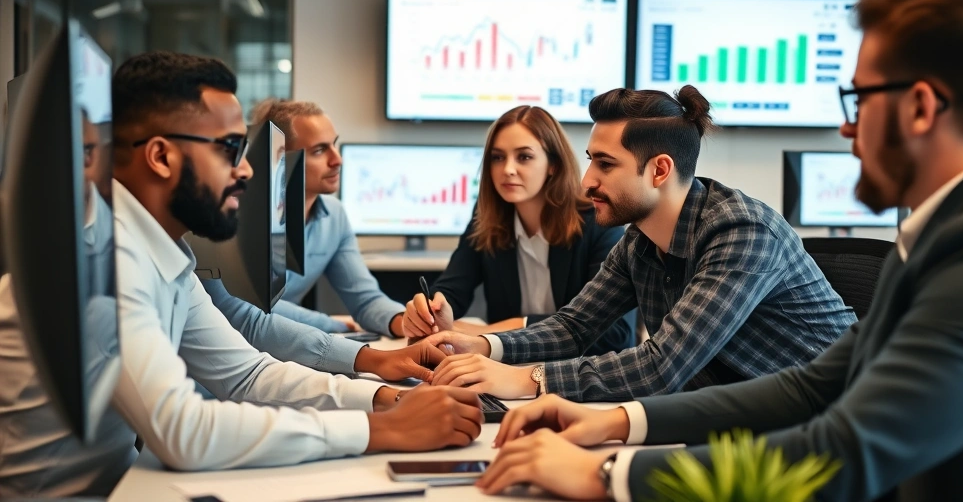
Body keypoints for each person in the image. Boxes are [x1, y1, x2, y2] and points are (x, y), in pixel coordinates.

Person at [471, 0, 963, 502]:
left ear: (922, 108)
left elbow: (850, 446)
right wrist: (617, 419)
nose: (847, 128)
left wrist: (610, 469)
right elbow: (809, 388)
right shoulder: (945, 233)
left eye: (859, 100)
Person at [0, 51, 483, 498]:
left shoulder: (164, 253)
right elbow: (183, 433)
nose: (248, 172)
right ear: (162, 156)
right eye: (230, 148)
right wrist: (383, 431)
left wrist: (381, 401)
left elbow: (248, 373)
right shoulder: (105, 260)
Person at [418, 86, 854, 401]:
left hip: (828, 428)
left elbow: (662, 367)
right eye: (591, 161)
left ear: (659, 170)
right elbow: (574, 327)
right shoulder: (639, 241)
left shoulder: (742, 233)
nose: (587, 182)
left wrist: (524, 379)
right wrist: (485, 347)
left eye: (605, 165)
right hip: (732, 415)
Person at [402, 105, 634, 356]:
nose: (507, 169)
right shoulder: (486, 219)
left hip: (580, 374)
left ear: (553, 164)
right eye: (497, 157)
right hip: (505, 369)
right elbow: (452, 290)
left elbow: (615, 332)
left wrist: (495, 332)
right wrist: (430, 310)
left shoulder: (597, 222)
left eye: (524, 157)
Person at [239, 98, 407, 337]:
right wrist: (332, 325)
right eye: (319, 150)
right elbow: (255, 304)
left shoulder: (334, 215)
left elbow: (365, 299)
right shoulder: (241, 216)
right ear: (277, 158)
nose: (337, 160)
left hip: (288, 344)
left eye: (334, 145)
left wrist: (403, 321)